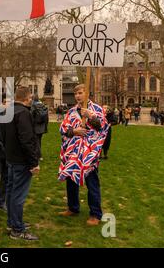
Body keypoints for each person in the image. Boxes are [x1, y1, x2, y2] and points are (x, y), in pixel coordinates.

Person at [58, 84, 109, 226]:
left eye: (80, 93)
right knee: (71, 180)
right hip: (73, 152)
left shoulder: (96, 109)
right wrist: (74, 131)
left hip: (89, 153)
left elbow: (103, 128)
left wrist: (91, 117)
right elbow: (63, 129)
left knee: (92, 182)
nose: (77, 96)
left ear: (87, 93)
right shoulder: (71, 111)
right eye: (76, 94)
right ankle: (73, 207)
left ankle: (95, 214)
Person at [1, 87, 40, 241]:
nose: (31, 99)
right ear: (26, 98)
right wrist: (34, 162)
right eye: (30, 97)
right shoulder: (23, 113)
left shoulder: (8, 111)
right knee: (18, 195)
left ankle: (13, 223)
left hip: (11, 158)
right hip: (21, 161)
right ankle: (17, 229)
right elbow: (27, 140)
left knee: (11, 192)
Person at [31, 95, 49, 161]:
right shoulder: (43, 106)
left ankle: (39, 155)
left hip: (35, 126)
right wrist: (46, 126)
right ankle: (38, 154)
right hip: (42, 126)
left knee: (36, 142)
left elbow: (31, 116)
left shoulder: (33, 106)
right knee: (39, 141)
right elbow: (47, 118)